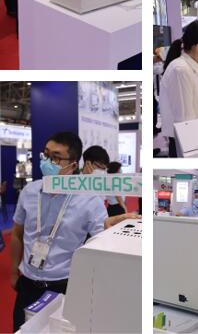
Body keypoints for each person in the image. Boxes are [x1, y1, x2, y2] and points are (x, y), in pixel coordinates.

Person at [10, 131, 139, 330]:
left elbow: (101, 240)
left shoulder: (88, 199)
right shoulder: (29, 191)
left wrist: (111, 231)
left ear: (72, 164)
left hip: (65, 287)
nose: (48, 162)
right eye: (46, 154)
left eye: (56, 158)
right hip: (27, 284)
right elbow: (17, 234)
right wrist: (13, 272)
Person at [159, 20, 198, 157]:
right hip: (187, 142)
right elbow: (185, 120)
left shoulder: (192, 68)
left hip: (195, 137)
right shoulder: (181, 70)